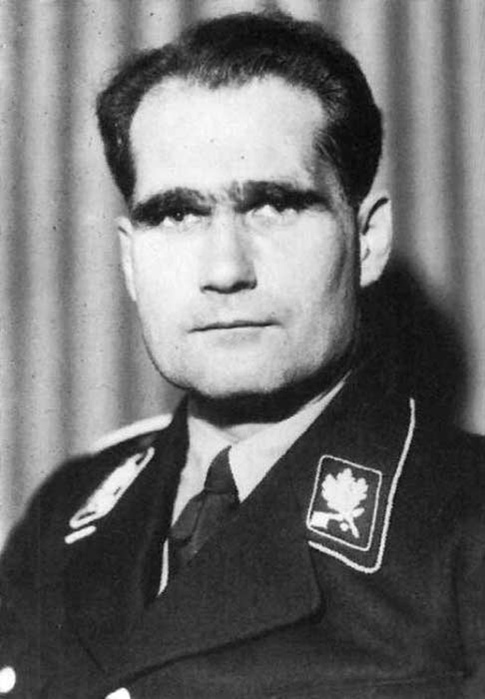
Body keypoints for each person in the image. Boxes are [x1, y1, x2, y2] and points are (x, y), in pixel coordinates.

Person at [1, 11, 484, 699]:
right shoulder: (64, 515)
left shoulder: (465, 528)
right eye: (176, 214)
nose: (225, 269)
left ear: (368, 239)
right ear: (130, 260)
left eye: (273, 206)